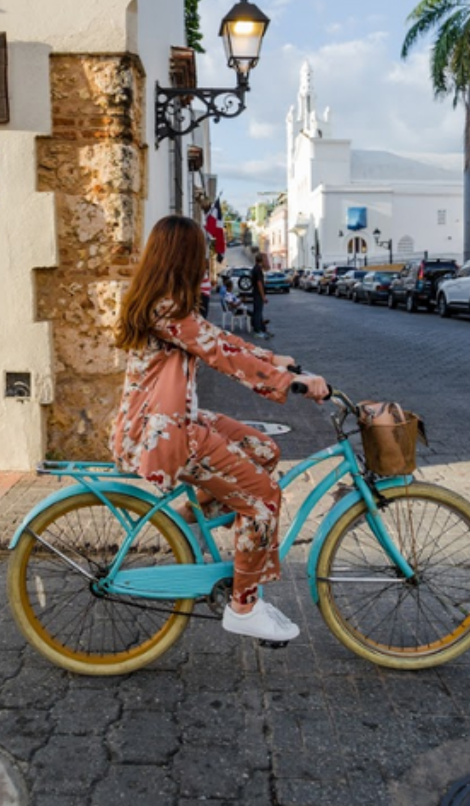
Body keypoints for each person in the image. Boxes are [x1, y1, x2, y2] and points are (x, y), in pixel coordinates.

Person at [111, 215, 329, 644]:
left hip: (171, 421)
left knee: (263, 450)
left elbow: (220, 341)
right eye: (203, 252)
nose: (209, 260)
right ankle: (244, 606)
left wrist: (272, 359)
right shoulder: (167, 309)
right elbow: (220, 355)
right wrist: (289, 382)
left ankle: (184, 524)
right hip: (165, 432)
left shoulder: (167, 303)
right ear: (185, 257)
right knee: (263, 499)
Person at [248, 253, 271, 339]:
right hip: (258, 294)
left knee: (259, 312)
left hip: (256, 293)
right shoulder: (258, 269)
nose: (267, 260)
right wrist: (263, 296)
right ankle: (257, 331)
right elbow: (259, 283)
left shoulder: (256, 268)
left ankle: (262, 329)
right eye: (265, 259)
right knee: (258, 312)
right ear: (261, 260)